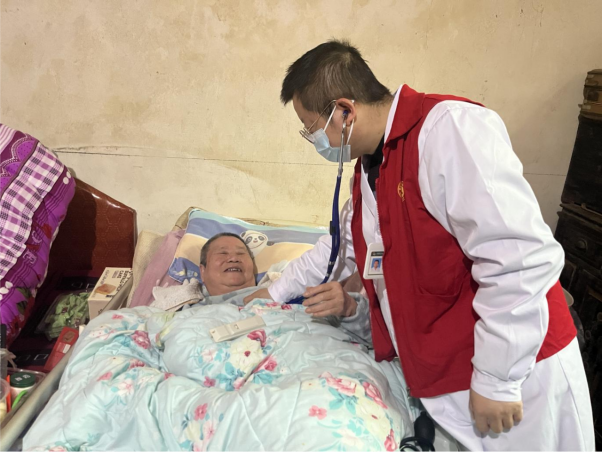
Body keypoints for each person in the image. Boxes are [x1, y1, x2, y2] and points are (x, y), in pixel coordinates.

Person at [245, 40, 594, 451]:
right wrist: (269, 295)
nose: (313, 139)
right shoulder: (369, 169)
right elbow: (338, 247)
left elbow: (518, 257)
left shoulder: (448, 130)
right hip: (447, 374)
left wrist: (496, 379)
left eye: (311, 128)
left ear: (344, 112)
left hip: (519, 372)